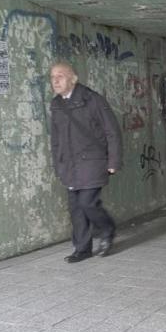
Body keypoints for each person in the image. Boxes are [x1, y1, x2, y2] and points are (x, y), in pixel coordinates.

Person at [49, 62, 122, 263]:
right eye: (53, 77)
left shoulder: (92, 100)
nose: (56, 80)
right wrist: (58, 163)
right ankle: (82, 249)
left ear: (73, 78)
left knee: (87, 202)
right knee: (76, 209)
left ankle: (107, 229)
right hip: (69, 165)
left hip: (92, 161)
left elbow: (112, 131)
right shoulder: (56, 104)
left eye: (61, 76)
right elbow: (55, 139)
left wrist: (114, 160)